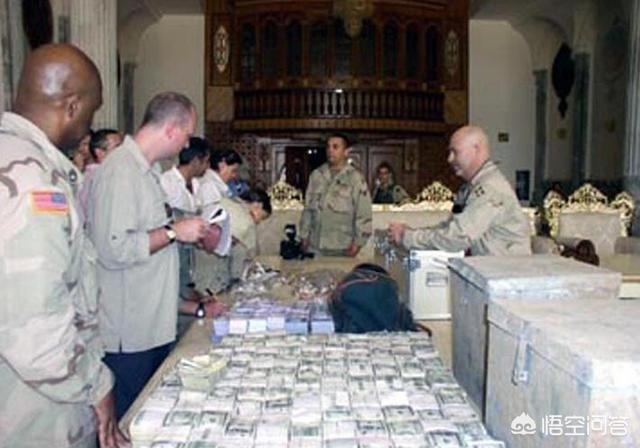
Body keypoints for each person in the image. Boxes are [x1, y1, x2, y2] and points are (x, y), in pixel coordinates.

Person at [0, 44, 126, 447]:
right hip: (31, 415)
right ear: (72, 107)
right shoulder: (32, 183)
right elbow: (35, 329)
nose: (89, 127)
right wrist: (97, 385)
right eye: (91, 112)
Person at [88, 92, 210, 419]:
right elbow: (113, 249)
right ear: (171, 129)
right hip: (130, 333)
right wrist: (174, 232)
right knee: (129, 423)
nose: (187, 144)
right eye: (186, 135)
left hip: (152, 324)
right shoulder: (120, 171)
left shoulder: (148, 170)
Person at [388, 125, 531, 256]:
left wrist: (408, 237)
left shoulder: (489, 189)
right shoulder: (472, 187)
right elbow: (451, 227)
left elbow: (457, 237)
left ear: (476, 149)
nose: (450, 159)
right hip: (490, 270)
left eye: (455, 152)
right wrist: (412, 233)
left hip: (504, 273)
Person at [160, 137, 227, 333]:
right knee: (171, 297)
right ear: (196, 160)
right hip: (169, 249)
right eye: (206, 162)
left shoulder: (198, 184)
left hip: (188, 253)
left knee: (184, 288)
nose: (207, 167)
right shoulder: (166, 182)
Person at [299, 132, 372, 257]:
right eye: (328, 147)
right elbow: (308, 209)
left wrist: (358, 242)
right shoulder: (317, 175)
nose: (330, 151)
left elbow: (363, 213)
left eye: (335, 147)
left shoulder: (355, 178)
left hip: (342, 246)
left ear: (346, 151)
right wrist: (304, 235)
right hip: (315, 245)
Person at [194, 189, 272, 292]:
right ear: (258, 206)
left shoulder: (225, 201)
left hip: (197, 253)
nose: (259, 221)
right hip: (214, 264)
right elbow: (247, 253)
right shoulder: (246, 220)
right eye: (262, 217)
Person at [78, 128, 123, 220]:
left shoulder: (90, 175)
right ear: (100, 153)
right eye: (117, 147)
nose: (123, 152)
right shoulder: (102, 177)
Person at [197, 148, 243, 216]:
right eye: (233, 171)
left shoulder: (216, 185)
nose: (234, 176)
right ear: (222, 166)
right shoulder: (208, 187)